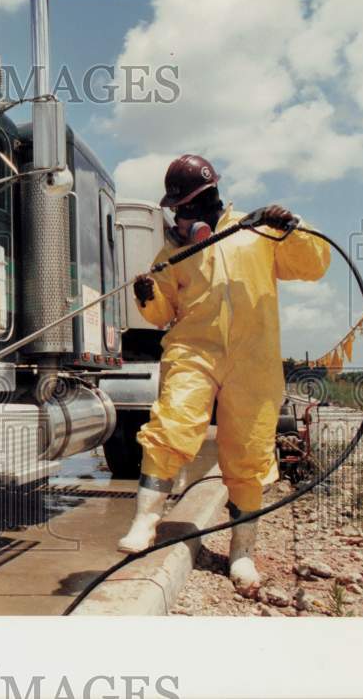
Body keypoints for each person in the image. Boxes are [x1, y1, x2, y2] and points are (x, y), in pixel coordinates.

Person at [117, 154, 331, 595]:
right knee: (170, 427)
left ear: (207, 200)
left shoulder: (258, 234)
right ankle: (145, 521)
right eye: (175, 210)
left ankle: (243, 550)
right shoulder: (174, 252)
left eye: (184, 208)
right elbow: (162, 314)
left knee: (249, 454)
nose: (178, 216)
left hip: (254, 359)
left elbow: (314, 265)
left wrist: (293, 226)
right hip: (194, 351)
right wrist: (147, 296)